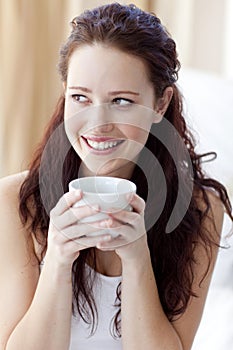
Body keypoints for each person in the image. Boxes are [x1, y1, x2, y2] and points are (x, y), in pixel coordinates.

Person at [0, 3, 232, 350]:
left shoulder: (200, 210)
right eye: (80, 97)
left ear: (160, 104)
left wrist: (137, 258)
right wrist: (59, 260)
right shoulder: (15, 201)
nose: (96, 124)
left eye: (121, 101)